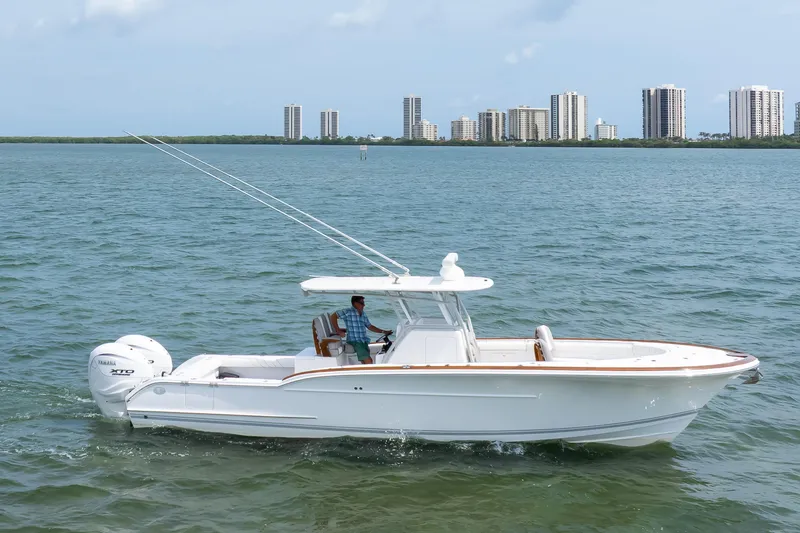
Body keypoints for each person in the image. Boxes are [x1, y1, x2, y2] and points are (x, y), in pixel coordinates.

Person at [330, 295, 391, 364]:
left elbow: (370, 326)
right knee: (369, 361)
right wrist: (338, 330)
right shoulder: (348, 312)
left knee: (364, 362)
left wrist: (383, 331)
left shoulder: (363, 314)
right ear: (355, 303)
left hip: (363, 341)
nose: (364, 305)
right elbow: (333, 316)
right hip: (355, 341)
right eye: (362, 303)